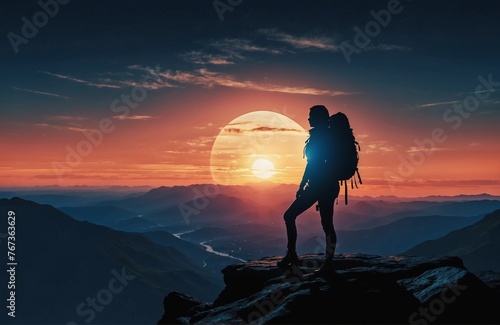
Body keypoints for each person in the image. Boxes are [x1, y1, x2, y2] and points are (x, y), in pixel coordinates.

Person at [277, 105, 340, 274]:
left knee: (290, 216)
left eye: (311, 115)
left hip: (320, 185)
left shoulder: (320, 137)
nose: (308, 119)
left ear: (319, 117)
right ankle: (328, 263)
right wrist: (304, 184)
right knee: (327, 225)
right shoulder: (328, 136)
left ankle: (292, 255)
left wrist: (303, 185)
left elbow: (312, 164)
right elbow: (313, 163)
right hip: (329, 185)